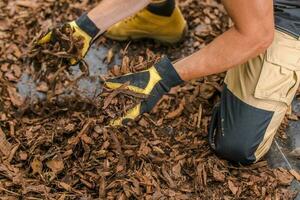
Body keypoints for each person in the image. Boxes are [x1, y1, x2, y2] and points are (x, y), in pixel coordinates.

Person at [39, 0, 300, 164]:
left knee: (239, 145)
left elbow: (256, 36)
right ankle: (159, 16)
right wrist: (85, 27)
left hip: (287, 16)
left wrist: (162, 77)